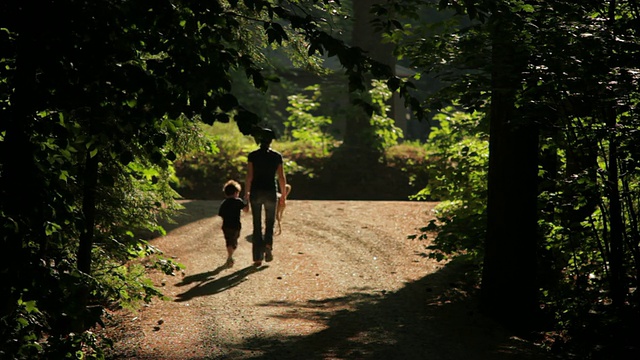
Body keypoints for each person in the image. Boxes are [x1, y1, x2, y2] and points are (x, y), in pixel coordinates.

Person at [245, 128, 287, 267]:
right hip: (270, 192)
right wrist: (283, 195)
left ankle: (257, 257)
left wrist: (246, 194)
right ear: (271, 141)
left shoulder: (253, 156)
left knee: (256, 224)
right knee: (270, 222)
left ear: (259, 140)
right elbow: (281, 177)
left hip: (256, 192)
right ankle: (268, 245)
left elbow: (249, 177)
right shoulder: (277, 156)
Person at [217, 180, 249, 268]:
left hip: (226, 226)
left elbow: (221, 214)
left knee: (228, 241)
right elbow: (246, 210)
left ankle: (229, 256)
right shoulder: (238, 201)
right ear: (236, 192)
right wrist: (247, 201)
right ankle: (230, 256)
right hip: (236, 226)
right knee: (234, 241)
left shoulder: (224, 203)